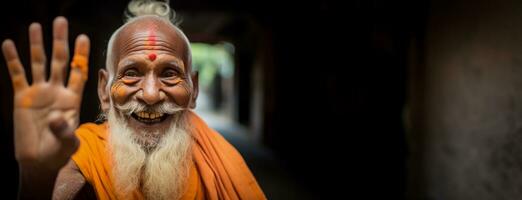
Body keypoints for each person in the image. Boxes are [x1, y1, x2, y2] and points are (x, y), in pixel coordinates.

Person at [1, 0, 266, 199]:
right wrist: (36, 174)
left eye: (170, 73)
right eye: (131, 73)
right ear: (104, 90)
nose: (150, 95)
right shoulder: (84, 151)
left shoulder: (219, 159)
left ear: (193, 89)